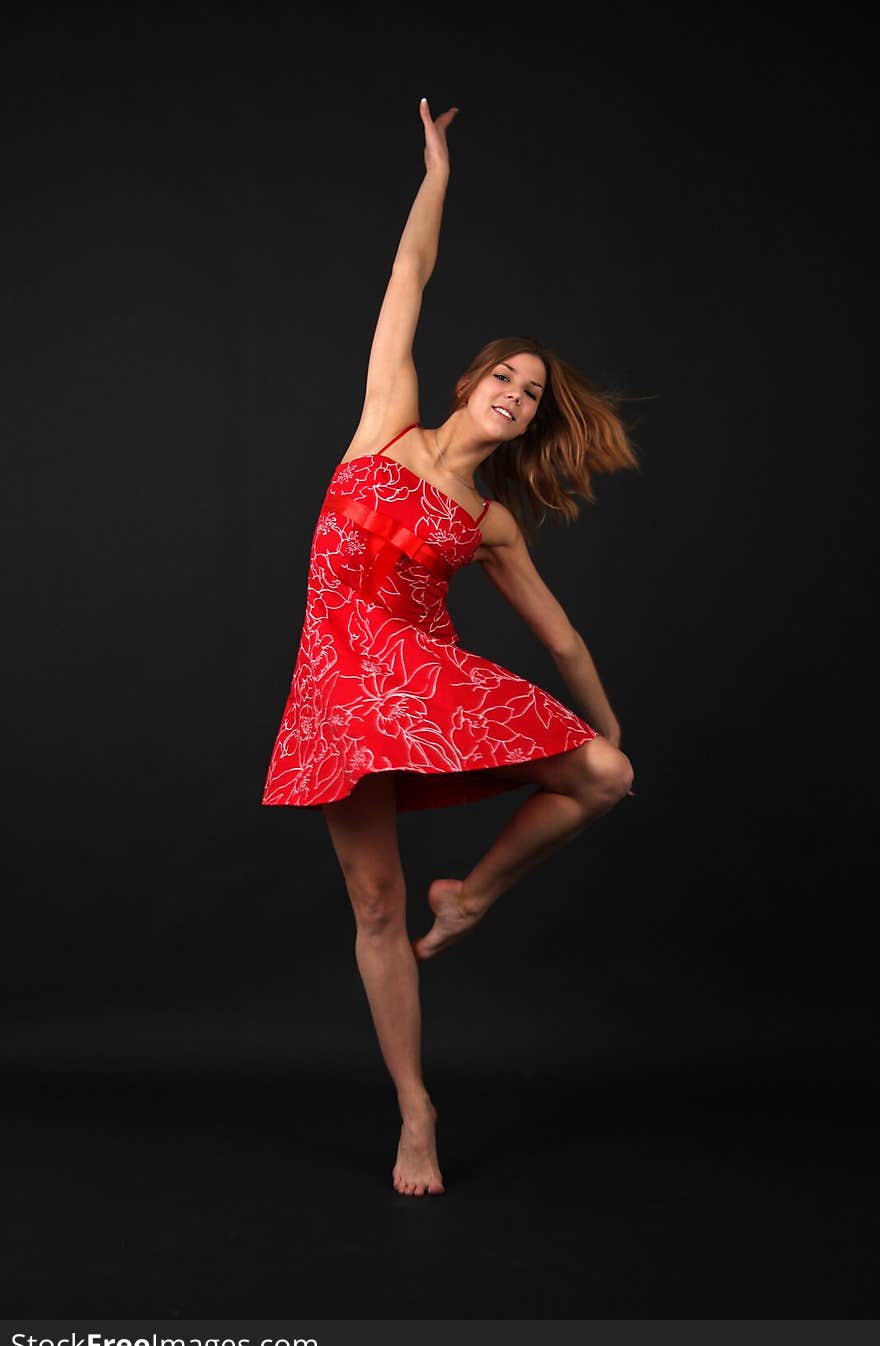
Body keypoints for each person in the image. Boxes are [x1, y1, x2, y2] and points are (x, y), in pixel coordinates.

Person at [262, 98, 638, 1197]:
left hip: (423, 683)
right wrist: (436, 172)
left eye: (531, 396)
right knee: (375, 906)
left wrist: (609, 734)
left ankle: (469, 896)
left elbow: (559, 635)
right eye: (506, 379)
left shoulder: (489, 523)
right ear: (472, 379)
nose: (516, 398)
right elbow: (408, 278)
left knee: (603, 776)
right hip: (337, 691)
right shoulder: (386, 420)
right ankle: (414, 1110)